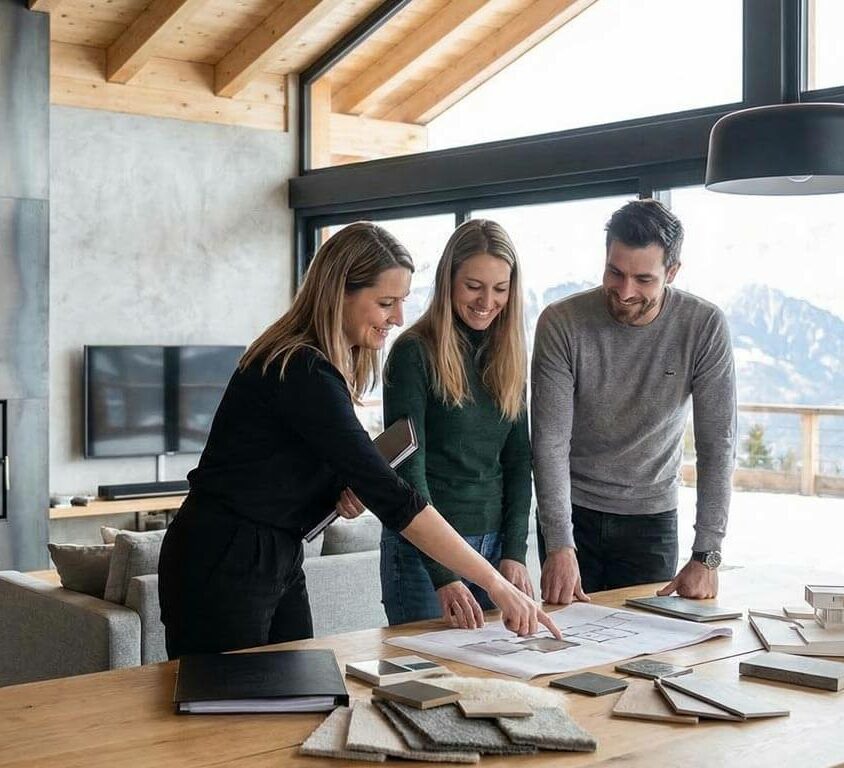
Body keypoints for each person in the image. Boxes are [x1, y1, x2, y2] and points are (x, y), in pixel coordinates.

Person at [158, 222, 560, 658]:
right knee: (224, 715)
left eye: (401, 302)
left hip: (276, 551)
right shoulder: (301, 367)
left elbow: (276, 464)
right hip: (224, 555)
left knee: (296, 697)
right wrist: (495, 583)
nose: (398, 318)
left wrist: (334, 490)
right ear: (339, 293)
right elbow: (396, 498)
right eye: (385, 302)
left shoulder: (318, 366)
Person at [531, 199, 736, 605]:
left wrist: (707, 555)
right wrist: (559, 543)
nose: (625, 292)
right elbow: (549, 442)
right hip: (574, 513)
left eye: (643, 279)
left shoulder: (704, 326)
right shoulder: (562, 323)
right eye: (615, 272)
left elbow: (718, 444)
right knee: (565, 645)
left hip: (652, 519)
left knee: (646, 653)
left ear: (672, 272)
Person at [380, 219, 533, 629]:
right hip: (422, 554)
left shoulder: (510, 355)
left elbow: (519, 462)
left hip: (495, 545)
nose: (487, 301)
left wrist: (515, 552)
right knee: (426, 683)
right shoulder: (413, 352)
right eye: (474, 286)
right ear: (449, 280)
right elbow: (406, 468)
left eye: (500, 289)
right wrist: (443, 574)